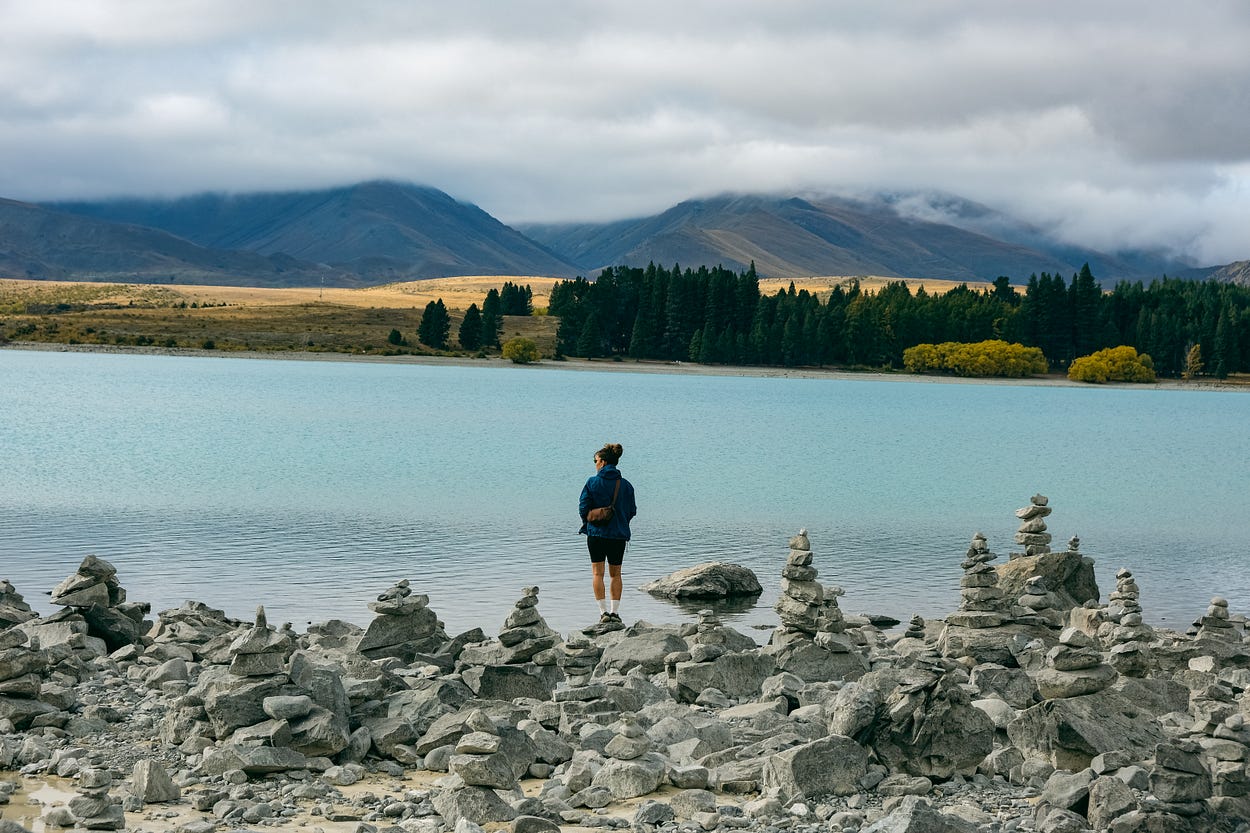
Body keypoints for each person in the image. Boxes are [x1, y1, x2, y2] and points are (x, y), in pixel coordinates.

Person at [579, 442, 637, 625]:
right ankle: (615, 613)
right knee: (616, 575)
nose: (595, 464)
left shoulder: (592, 482)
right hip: (618, 536)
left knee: (597, 573)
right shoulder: (626, 485)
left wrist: (589, 522)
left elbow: (583, 507)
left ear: (603, 462)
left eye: (595, 461)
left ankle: (603, 613)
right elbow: (632, 510)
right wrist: (620, 523)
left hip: (596, 535)